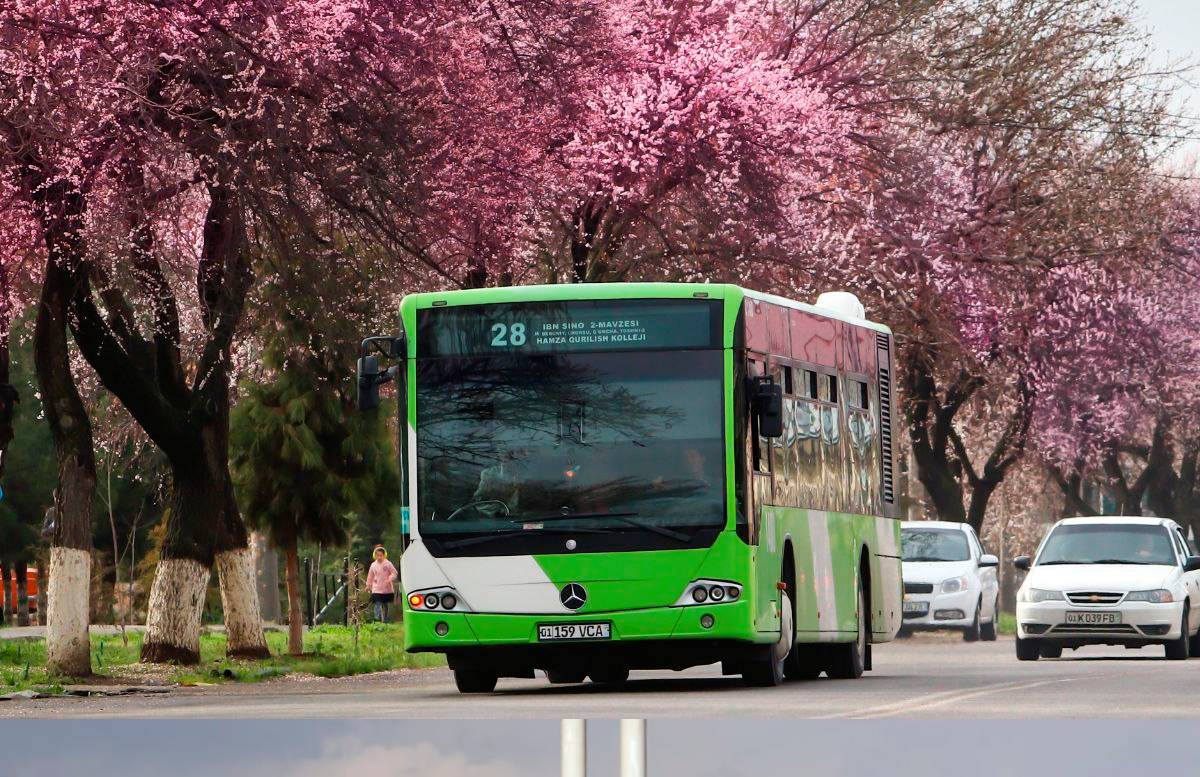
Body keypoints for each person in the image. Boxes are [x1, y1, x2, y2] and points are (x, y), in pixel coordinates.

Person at [366, 545, 398, 623]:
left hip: (386, 589)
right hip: (376, 588)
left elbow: (394, 573)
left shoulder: (388, 563)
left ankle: (385, 619)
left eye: (381, 555)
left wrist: (389, 579)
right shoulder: (373, 565)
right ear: (375, 555)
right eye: (377, 555)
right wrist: (368, 585)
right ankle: (377, 618)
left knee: (385, 604)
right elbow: (370, 576)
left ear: (384, 555)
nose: (379, 557)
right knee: (377, 603)